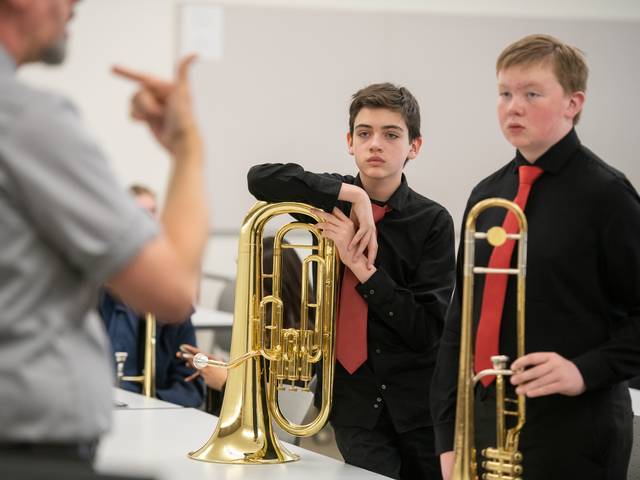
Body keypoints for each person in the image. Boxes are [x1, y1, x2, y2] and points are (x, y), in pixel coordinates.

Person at [0, 0, 208, 467]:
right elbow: (173, 290)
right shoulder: (25, 118)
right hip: (25, 446)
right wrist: (187, 145)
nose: (76, 5)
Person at [431, 34, 640, 480]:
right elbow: (459, 322)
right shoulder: (487, 194)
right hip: (484, 424)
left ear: (573, 102)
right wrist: (448, 437)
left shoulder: (608, 196)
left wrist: (583, 371)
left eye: (531, 93)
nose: (513, 107)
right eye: (505, 93)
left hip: (574, 430)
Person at [246, 83, 456, 479]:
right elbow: (259, 178)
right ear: (350, 141)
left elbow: (427, 330)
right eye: (364, 133)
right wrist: (354, 197)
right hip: (352, 401)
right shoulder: (331, 199)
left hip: (419, 403)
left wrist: (362, 268)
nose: (375, 143)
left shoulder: (433, 222)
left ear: (415, 147)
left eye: (391, 134)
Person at [99, 185, 204, 408]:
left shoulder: (171, 304)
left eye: (154, 212)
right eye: (140, 214)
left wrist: (148, 404)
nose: (149, 222)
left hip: (153, 416)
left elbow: (191, 385)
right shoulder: (92, 295)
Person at [180, 236, 306, 414]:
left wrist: (226, 383)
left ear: (273, 286)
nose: (242, 289)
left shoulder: (297, 337)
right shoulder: (264, 323)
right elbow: (257, 380)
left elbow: (281, 406)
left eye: (248, 281)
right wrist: (224, 368)